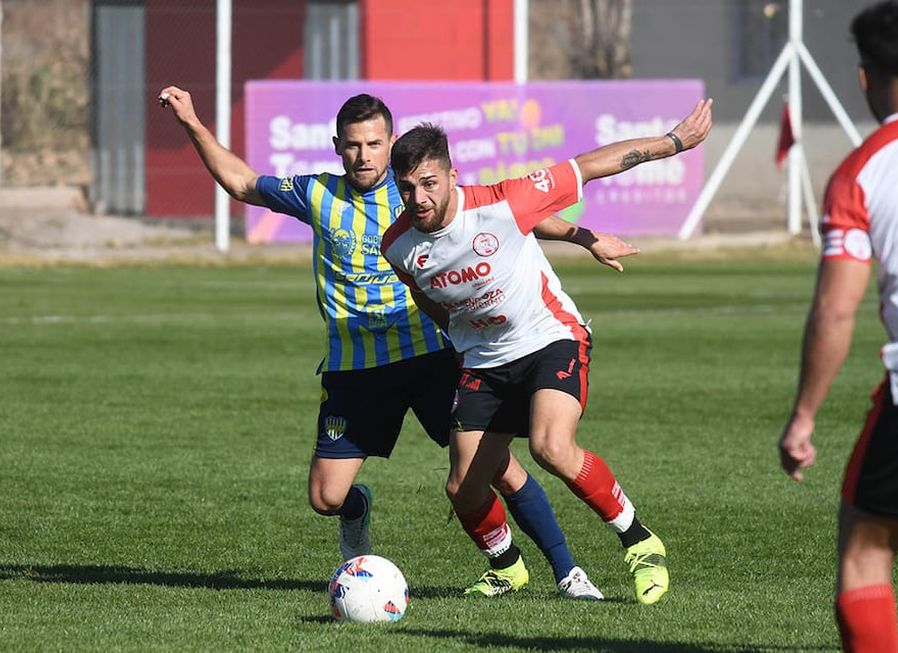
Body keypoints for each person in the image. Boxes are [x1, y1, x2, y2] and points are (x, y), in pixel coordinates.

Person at [159, 87, 639, 598]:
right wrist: (191, 119)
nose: (363, 155)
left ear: (390, 142)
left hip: (430, 355)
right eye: (352, 145)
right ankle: (475, 550)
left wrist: (584, 237)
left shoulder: (417, 191)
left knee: (497, 468)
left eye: (373, 143)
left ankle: (565, 571)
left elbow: (514, 212)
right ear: (337, 146)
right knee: (325, 497)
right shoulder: (316, 193)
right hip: (356, 365)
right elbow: (240, 183)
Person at [381, 100, 713, 604]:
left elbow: (588, 165)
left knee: (550, 448)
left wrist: (672, 143)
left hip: (548, 338)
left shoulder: (501, 200)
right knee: (463, 492)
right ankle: (507, 567)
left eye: (429, 182)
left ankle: (639, 541)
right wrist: (461, 339)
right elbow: (425, 293)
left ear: (453, 174)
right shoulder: (398, 245)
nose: (419, 197)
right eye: (407, 187)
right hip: (483, 363)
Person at [777, 1, 898, 650]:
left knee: (865, 553)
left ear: (865, 79)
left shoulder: (862, 171)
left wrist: (804, 416)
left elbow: (837, 308)